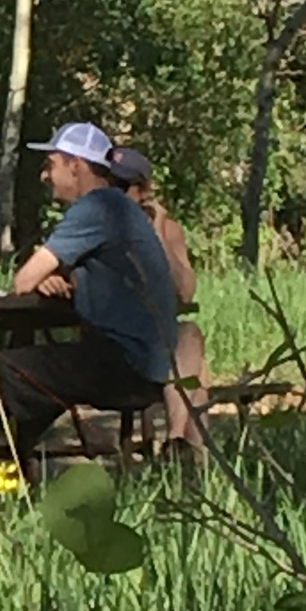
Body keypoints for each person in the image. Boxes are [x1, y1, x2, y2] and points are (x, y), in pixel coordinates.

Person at [0, 122, 179, 465]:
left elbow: (22, 280)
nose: (45, 176)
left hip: (122, 364)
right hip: (150, 365)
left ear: (76, 165)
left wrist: (45, 273)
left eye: (50, 165)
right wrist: (62, 273)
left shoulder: (96, 206)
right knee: (22, 380)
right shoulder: (122, 208)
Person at [106, 146, 210, 451]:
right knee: (197, 372)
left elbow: (186, 292)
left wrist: (159, 237)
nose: (115, 194)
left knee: (190, 338)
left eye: (122, 187)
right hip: (120, 345)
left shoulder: (168, 230)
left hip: (161, 343)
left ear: (143, 190)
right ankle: (185, 450)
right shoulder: (100, 226)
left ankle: (179, 449)